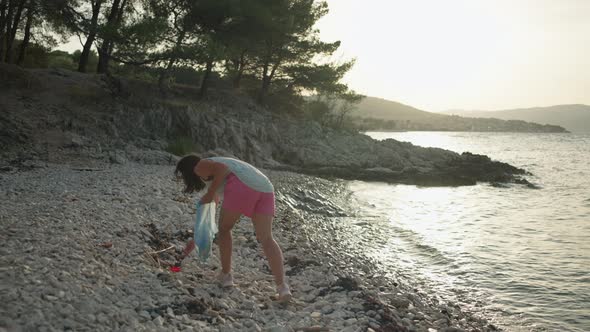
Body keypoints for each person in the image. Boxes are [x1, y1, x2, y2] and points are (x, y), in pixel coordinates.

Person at [174, 154, 292, 302]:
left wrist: (210, 193)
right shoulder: (216, 179)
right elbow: (208, 220)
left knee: (225, 230)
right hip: (265, 187)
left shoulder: (200, 165)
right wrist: (196, 240)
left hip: (243, 185)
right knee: (267, 238)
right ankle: (282, 287)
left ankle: (226, 275)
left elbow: (222, 169)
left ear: (187, 170)